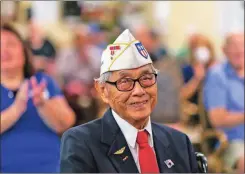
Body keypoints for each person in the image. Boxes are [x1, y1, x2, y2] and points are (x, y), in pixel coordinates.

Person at [60, 29, 199, 173]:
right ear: (103, 90)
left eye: (146, 78)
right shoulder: (82, 142)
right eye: (125, 81)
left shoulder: (179, 142)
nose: (139, 91)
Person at [1, 23, 75, 172]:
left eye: (10, 44)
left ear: (24, 51)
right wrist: (17, 108)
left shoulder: (43, 82)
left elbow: (66, 122)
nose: (4, 50)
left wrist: (43, 104)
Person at [203, 32, 244, 173]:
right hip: (231, 142)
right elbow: (217, 119)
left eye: (243, 45)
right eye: (234, 46)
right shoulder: (217, 75)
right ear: (224, 50)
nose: (240, 50)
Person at [180, 34, 217, 125]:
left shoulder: (218, 69)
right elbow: (182, 95)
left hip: (213, 115)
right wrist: (197, 79)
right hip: (195, 117)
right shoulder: (187, 69)